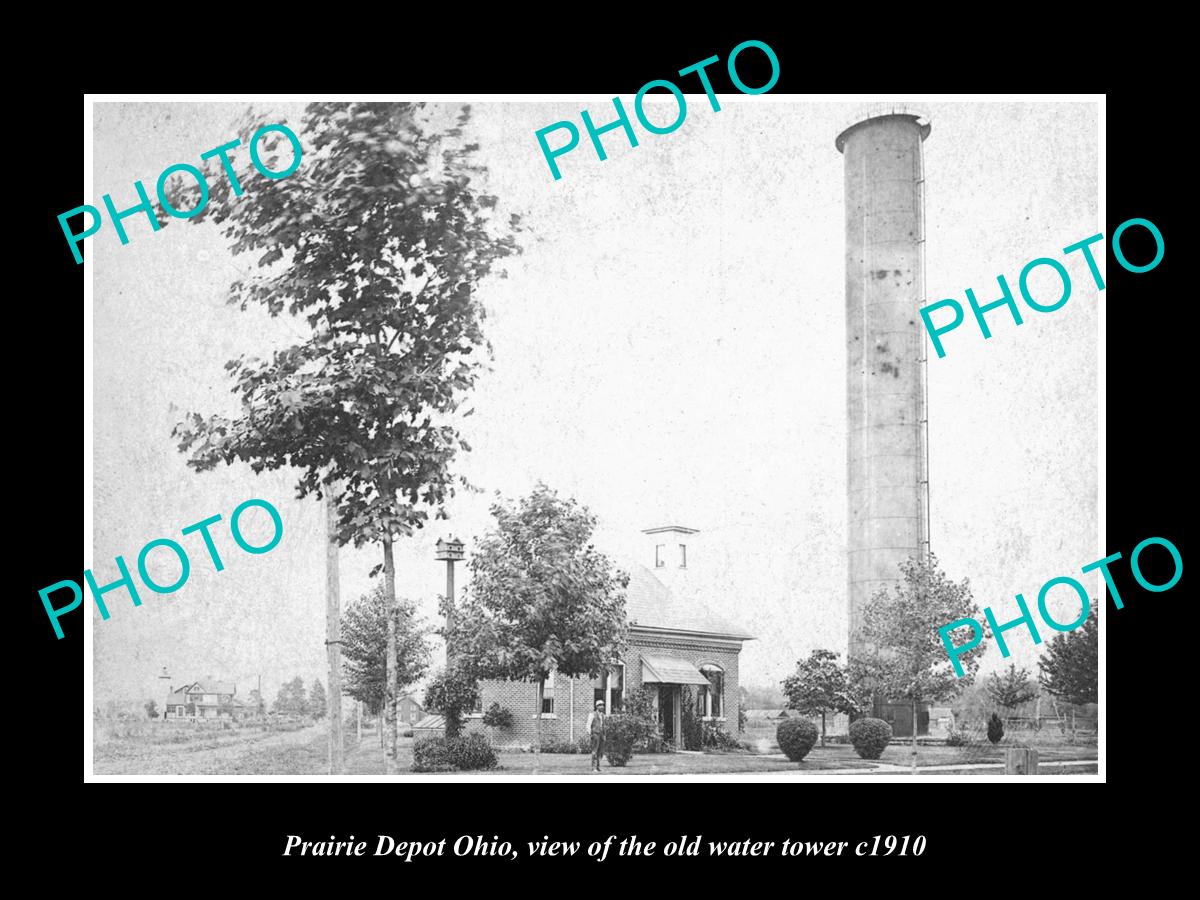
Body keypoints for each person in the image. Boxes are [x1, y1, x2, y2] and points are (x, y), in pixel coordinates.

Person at [585, 700, 606, 772]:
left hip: (601, 735)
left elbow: (603, 726)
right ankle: (593, 767)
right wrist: (591, 733)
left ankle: (598, 766)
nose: (602, 706)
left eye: (603, 705)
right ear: (597, 706)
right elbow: (588, 724)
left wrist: (604, 735)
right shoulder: (592, 714)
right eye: (600, 705)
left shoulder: (603, 715)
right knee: (595, 751)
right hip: (595, 734)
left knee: (600, 751)